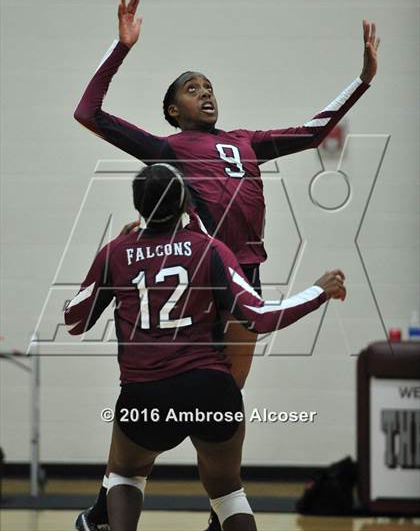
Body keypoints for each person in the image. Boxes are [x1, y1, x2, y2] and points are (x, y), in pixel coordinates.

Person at [73, 0, 379, 531]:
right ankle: (114, 503)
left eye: (209, 86)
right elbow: (88, 111)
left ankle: (211, 511)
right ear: (173, 110)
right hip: (199, 274)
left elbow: (312, 131)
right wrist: (120, 49)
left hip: (245, 274)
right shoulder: (168, 148)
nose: (205, 93)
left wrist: (361, 81)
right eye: (192, 89)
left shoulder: (247, 141)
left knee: (221, 401)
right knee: (159, 387)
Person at [66, 164, 346, 531]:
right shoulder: (210, 250)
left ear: (138, 207)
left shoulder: (116, 251)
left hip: (145, 393)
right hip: (209, 387)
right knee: (228, 492)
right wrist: (318, 291)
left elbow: (74, 320)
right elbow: (258, 317)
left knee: (124, 476)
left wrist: (112, 260)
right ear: (185, 202)